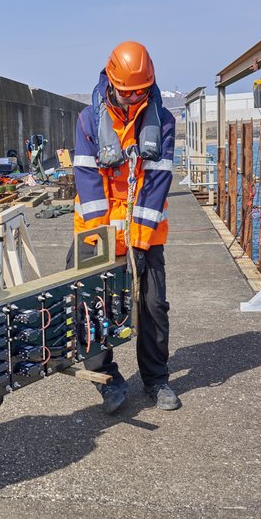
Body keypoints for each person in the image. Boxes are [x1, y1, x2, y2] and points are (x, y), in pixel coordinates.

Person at [69, 41, 180, 414]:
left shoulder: (163, 123)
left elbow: (156, 185)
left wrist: (136, 243)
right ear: (110, 82)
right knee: (90, 307)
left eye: (140, 92)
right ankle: (107, 379)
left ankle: (156, 379)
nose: (133, 100)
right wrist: (104, 240)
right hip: (96, 228)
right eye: (126, 92)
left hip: (145, 233)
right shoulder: (88, 120)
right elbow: (88, 183)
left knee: (153, 306)